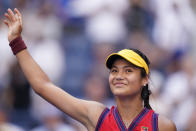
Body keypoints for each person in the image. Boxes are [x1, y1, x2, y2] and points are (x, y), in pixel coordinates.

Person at [3, 8, 176, 131]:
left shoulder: (162, 126)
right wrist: (16, 41)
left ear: (144, 79)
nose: (118, 76)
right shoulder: (96, 115)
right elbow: (42, 86)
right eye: (114, 70)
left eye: (128, 71)